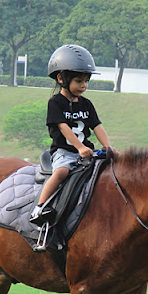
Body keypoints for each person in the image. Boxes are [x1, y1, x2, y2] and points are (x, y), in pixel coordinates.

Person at [30, 44, 115, 225]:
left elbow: (97, 126)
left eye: (86, 81)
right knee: (61, 172)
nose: (83, 86)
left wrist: (107, 146)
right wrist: (80, 148)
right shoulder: (55, 103)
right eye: (78, 81)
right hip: (65, 153)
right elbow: (64, 128)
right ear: (61, 78)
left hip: (87, 153)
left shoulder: (87, 104)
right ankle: (40, 208)